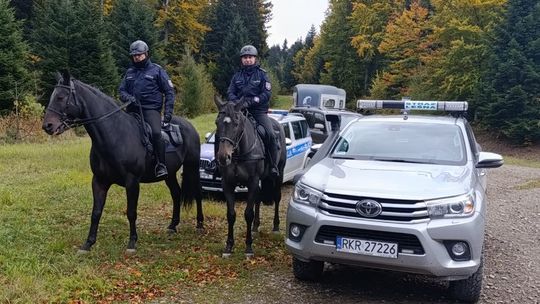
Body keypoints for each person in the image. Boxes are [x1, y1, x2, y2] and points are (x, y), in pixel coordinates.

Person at [119, 40, 175, 178]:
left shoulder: (157, 70)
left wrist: (167, 114)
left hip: (150, 110)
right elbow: (121, 90)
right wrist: (128, 98)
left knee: (156, 133)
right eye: (134, 55)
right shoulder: (130, 72)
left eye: (139, 55)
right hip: (132, 110)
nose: (137, 57)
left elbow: (169, 92)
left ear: (146, 54)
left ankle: (161, 165)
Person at [226, 44, 279, 177]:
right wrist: (238, 103)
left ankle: (273, 165)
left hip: (258, 111)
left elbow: (266, 94)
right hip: (239, 110)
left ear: (255, 59)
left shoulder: (262, 75)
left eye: (250, 57)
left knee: (270, 134)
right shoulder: (237, 76)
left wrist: (251, 101)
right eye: (245, 57)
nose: (247, 60)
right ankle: (220, 163)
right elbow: (230, 92)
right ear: (241, 59)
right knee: (222, 130)